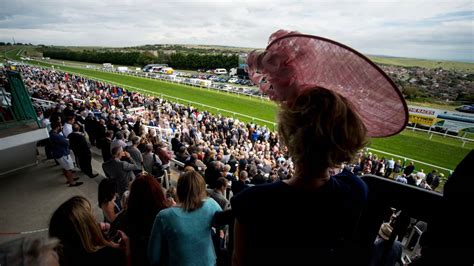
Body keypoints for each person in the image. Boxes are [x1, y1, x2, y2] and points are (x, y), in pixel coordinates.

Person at [231, 30, 408, 265]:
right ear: (348, 141)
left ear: (287, 135)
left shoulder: (252, 200)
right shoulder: (355, 189)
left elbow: (239, 262)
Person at [148, 170, 222, 265]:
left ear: (179, 189)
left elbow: (153, 256)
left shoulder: (164, 216)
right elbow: (223, 224)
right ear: (202, 189)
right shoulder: (211, 204)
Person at [49, 196, 129, 266]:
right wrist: (126, 250)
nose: (95, 221)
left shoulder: (65, 258)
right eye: (91, 216)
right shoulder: (110, 256)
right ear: (85, 231)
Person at [121, 174, 172, 266]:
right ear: (157, 193)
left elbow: (128, 249)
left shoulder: (127, 216)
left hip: (139, 258)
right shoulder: (165, 215)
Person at [49, 121, 82, 187]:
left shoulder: (51, 133)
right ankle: (72, 183)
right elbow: (66, 143)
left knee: (65, 168)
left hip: (58, 153)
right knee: (68, 169)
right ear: (57, 127)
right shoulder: (57, 136)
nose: (61, 127)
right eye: (60, 126)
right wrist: (67, 140)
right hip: (62, 154)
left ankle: (69, 179)